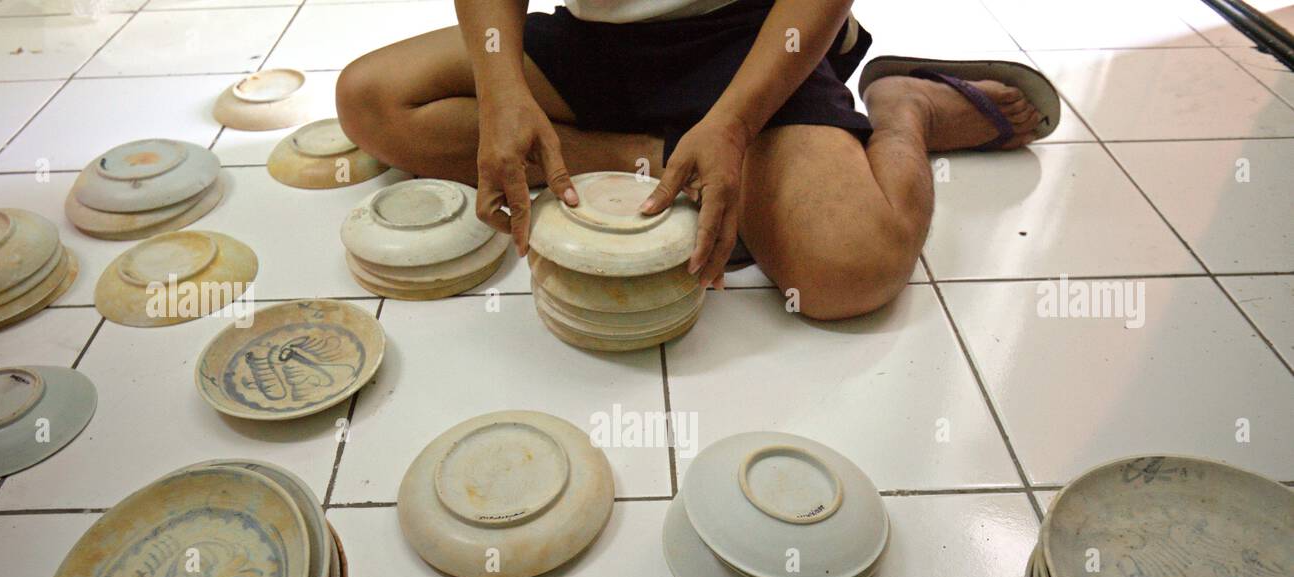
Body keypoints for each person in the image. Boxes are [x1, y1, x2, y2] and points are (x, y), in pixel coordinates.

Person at [336, 1, 1049, 319]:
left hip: (754, 38)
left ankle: (904, 110)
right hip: (600, 43)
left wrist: (736, 123)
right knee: (374, 100)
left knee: (847, 274)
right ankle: (674, 158)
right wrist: (500, 91)